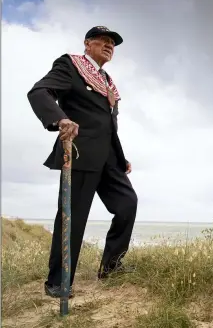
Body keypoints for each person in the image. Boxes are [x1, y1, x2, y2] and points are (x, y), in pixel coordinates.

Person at [27, 26, 138, 298]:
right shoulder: (71, 66)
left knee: (127, 204)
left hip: (109, 158)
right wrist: (59, 118)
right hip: (80, 153)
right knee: (72, 218)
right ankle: (58, 282)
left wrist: (121, 158)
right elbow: (39, 91)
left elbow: (109, 125)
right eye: (103, 40)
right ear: (88, 43)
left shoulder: (108, 81)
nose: (109, 45)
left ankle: (111, 266)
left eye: (113, 43)